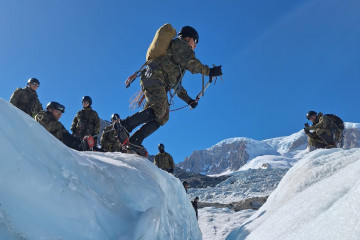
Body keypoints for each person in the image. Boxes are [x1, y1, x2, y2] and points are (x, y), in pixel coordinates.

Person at [118, 26, 223, 156]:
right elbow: (192, 63)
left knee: (163, 117)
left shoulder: (178, 58)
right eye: (195, 41)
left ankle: (135, 140)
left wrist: (189, 100)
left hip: (158, 79)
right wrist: (210, 71)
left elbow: (176, 86)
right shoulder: (180, 45)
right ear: (187, 37)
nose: (195, 46)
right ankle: (125, 125)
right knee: (159, 109)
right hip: (155, 76)